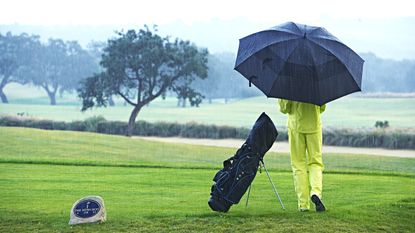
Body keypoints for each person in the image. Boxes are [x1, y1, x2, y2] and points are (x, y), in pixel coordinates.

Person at [278, 99, 326, 212]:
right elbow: (322, 107)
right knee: (315, 163)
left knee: (298, 164)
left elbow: (284, 109)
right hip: (314, 125)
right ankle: (316, 192)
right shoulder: (316, 82)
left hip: (296, 126)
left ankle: (303, 204)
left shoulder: (290, 83)